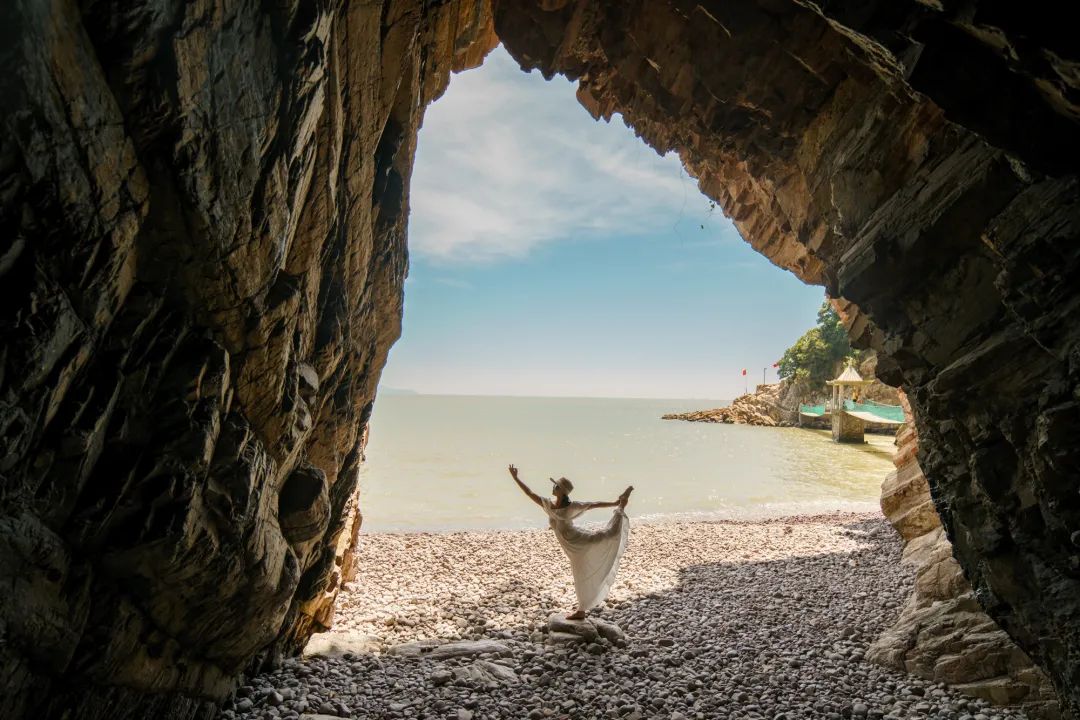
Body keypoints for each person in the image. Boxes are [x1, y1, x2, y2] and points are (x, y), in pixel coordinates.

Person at [509, 464, 633, 620]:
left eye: (556, 486)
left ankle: (621, 505)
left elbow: (593, 505)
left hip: (577, 543)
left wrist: (613, 504)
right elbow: (529, 493)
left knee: (606, 538)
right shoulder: (549, 504)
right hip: (572, 543)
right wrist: (516, 478)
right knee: (602, 541)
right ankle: (581, 610)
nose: (553, 487)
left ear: (561, 491)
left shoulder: (571, 506)